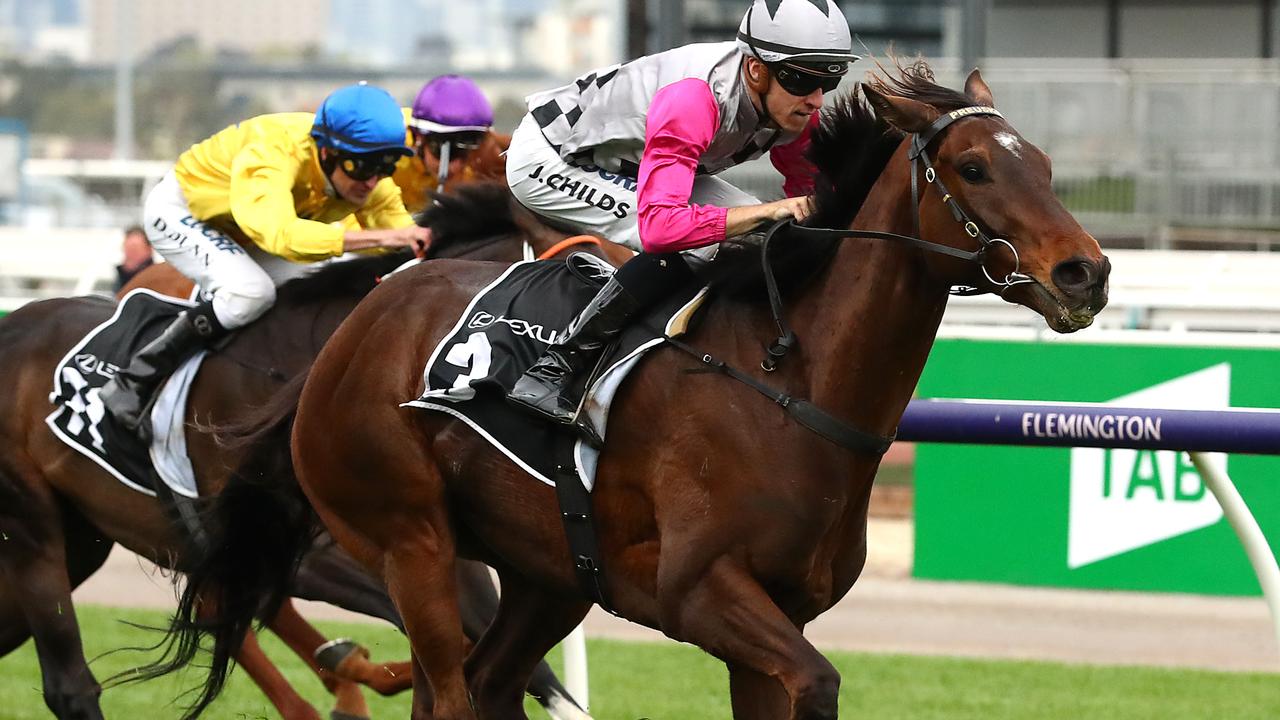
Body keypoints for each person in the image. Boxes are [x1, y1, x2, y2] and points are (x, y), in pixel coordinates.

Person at [506, 0, 857, 424]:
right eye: (802, 79)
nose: (816, 100)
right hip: (553, 158)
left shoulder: (796, 110)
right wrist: (766, 212)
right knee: (701, 243)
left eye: (829, 82)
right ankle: (554, 371)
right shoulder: (695, 98)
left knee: (771, 235)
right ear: (755, 69)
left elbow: (809, 212)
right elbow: (661, 230)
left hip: (633, 161)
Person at [100, 82, 430, 436]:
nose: (374, 180)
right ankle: (134, 381)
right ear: (329, 152)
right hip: (186, 212)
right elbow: (281, 236)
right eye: (362, 166)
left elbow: (409, 245)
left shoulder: (369, 179)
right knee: (249, 292)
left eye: (387, 165)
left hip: (249, 226)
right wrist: (384, 237)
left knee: (320, 286)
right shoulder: (274, 155)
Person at [394, 74, 505, 214]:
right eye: (448, 152)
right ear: (419, 137)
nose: (455, 167)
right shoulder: (390, 144)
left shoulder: (474, 169)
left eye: (465, 154)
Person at [114, 224, 154, 291]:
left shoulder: (156, 279)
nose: (129, 255)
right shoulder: (118, 278)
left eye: (134, 249)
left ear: (149, 250)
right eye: (127, 248)